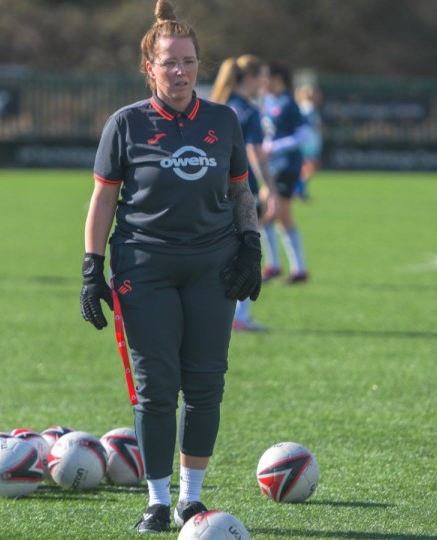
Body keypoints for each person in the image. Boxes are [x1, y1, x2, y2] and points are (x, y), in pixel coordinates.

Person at [79, 0, 260, 532]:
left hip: (214, 268)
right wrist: (92, 268)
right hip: (145, 267)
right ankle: (157, 501)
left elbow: (240, 190)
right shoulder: (126, 124)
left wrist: (250, 244)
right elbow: (102, 201)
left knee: (206, 386)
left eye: (188, 61)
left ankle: (191, 499)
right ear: (149, 68)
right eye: (169, 62)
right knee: (156, 386)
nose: (179, 71)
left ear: (199, 65)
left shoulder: (223, 120)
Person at [210, 54, 273, 332]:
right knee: (246, 250)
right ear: (249, 78)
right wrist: (269, 186)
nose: (266, 81)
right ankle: (240, 316)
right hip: (243, 188)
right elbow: (254, 153)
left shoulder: (220, 106)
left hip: (216, 188)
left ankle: (224, 313)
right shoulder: (247, 110)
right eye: (262, 76)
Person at [260, 63, 311, 284]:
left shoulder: (289, 102)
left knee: (267, 214)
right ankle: (289, 268)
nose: (263, 82)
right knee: (276, 217)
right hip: (271, 166)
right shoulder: (267, 100)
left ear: (278, 78)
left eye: (266, 78)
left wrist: (275, 146)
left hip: (286, 165)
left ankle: (281, 267)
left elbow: (304, 134)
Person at [294, 82, 324, 201]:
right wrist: (318, 126)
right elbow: (308, 124)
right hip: (308, 142)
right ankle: (299, 189)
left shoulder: (306, 106)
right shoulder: (308, 107)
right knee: (310, 166)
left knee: (306, 167)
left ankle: (300, 189)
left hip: (309, 141)